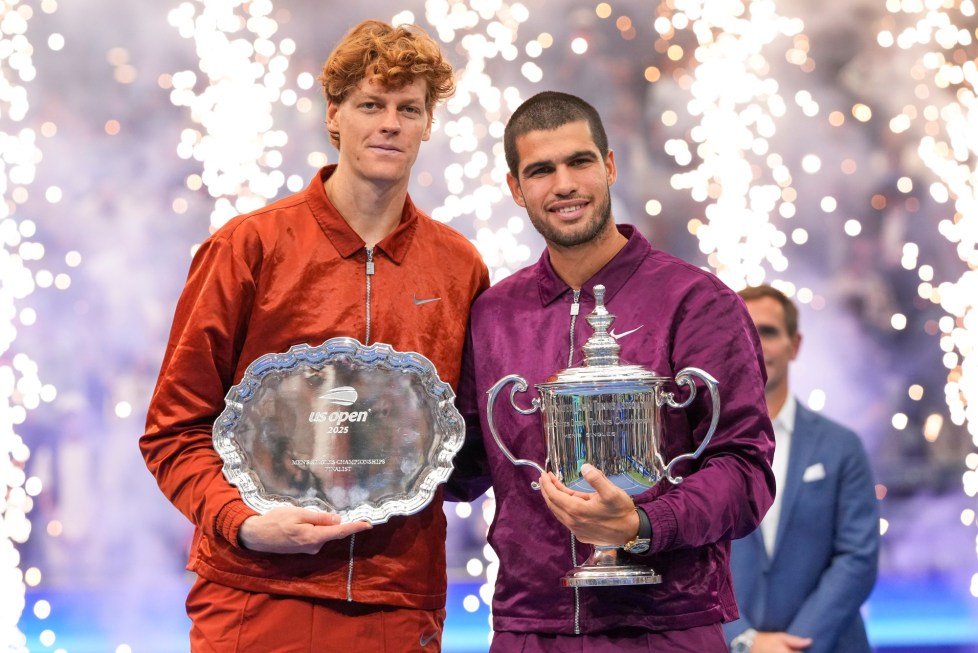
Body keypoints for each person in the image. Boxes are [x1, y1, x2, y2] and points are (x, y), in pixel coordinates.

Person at [139, 20, 489, 652]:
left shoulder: (458, 266)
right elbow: (172, 428)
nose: (390, 123)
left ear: (428, 124)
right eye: (371, 105)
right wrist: (242, 522)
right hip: (258, 590)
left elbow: (464, 447)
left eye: (409, 109)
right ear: (335, 115)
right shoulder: (249, 245)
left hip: (398, 597)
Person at [452, 90, 776, 651]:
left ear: (608, 165)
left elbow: (746, 471)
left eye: (579, 162)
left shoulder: (696, 301)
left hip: (665, 625)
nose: (564, 185)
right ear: (515, 188)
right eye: (541, 170)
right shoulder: (493, 314)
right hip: (530, 627)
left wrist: (644, 526)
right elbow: (467, 465)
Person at [723, 285, 879, 653]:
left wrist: (794, 647)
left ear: (795, 345)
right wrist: (744, 640)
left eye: (769, 332)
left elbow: (858, 558)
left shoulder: (842, 447)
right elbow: (689, 562)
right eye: (745, 331)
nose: (756, 343)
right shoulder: (699, 448)